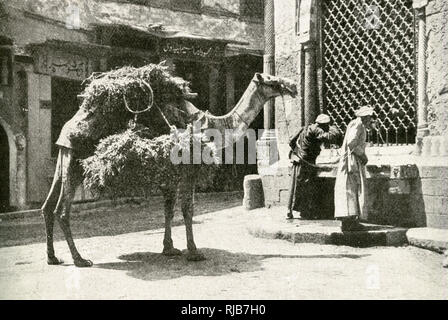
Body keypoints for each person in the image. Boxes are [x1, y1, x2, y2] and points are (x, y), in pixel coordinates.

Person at [287, 114, 341, 219]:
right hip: (306, 162)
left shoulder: (305, 128)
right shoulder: (317, 129)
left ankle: (289, 211)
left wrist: (297, 151)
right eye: (327, 125)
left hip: (297, 160)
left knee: (295, 187)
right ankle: (306, 213)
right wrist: (334, 128)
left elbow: (291, 141)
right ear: (324, 124)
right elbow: (329, 137)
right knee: (306, 187)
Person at [334, 106, 374, 231]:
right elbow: (352, 142)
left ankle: (350, 221)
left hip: (351, 161)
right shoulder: (358, 125)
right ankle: (349, 222)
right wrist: (362, 155)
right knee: (350, 189)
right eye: (369, 117)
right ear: (365, 117)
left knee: (350, 189)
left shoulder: (356, 124)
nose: (370, 120)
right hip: (351, 162)